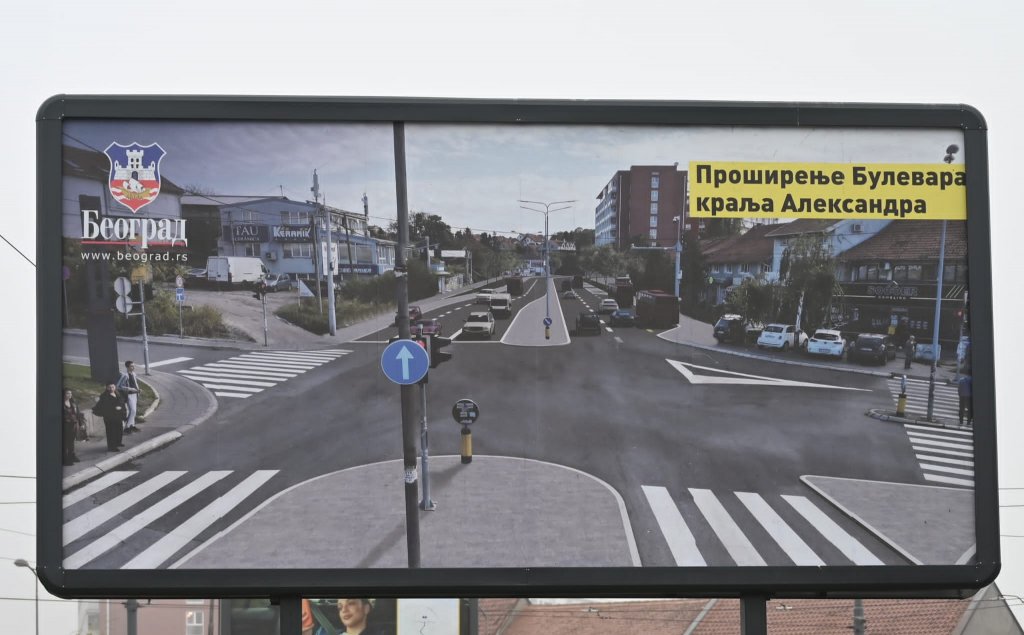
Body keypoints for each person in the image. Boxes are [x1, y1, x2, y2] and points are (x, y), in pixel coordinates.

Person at [92, 383, 126, 452]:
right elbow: (105, 407)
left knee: (119, 430)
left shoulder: (118, 394)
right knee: (111, 432)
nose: (111, 389)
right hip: (110, 417)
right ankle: (112, 447)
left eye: (112, 387)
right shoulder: (105, 396)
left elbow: (122, 402)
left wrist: (121, 409)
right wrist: (115, 408)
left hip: (118, 416)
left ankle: (118, 442)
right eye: (109, 387)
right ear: (107, 388)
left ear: (115, 387)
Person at [117, 360, 141, 434]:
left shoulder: (134, 374)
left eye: (133, 366)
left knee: (134, 411)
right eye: (131, 366)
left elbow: (135, 383)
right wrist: (129, 389)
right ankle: (127, 427)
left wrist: (138, 390)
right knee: (132, 411)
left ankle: (132, 425)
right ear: (127, 367)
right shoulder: (125, 375)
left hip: (135, 394)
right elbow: (118, 386)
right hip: (129, 395)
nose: (133, 367)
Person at [61, 389, 81, 466]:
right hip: (66, 425)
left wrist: (80, 423)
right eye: (67, 393)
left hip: (73, 425)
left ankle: (72, 456)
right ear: (64, 394)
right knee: (66, 442)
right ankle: (66, 459)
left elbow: (78, 414)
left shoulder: (73, 403)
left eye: (70, 393)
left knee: (71, 442)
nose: (69, 395)